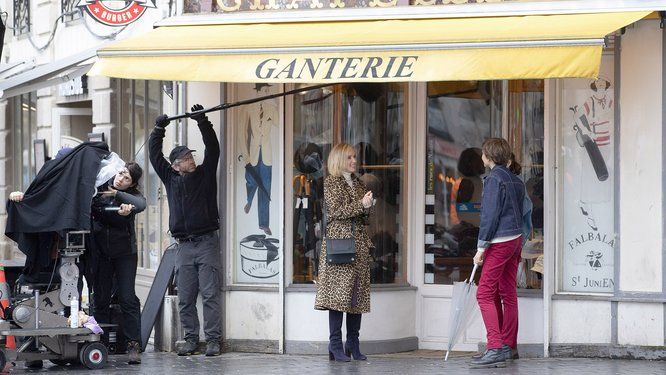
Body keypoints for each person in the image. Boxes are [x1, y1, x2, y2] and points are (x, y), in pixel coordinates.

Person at [150, 104, 221, 357]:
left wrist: (202, 121)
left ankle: (213, 340)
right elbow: (154, 156)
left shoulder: (205, 174)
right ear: (176, 165)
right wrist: (158, 129)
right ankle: (191, 339)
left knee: (211, 294)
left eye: (192, 157)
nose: (193, 160)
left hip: (206, 242)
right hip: (183, 246)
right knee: (186, 297)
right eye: (187, 158)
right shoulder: (170, 179)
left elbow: (213, 148)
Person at [314, 143, 374, 362]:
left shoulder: (358, 183)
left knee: (356, 296)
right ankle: (335, 344)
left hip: (358, 245)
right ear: (339, 159)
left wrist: (368, 206)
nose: (354, 161)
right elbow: (337, 212)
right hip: (340, 244)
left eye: (355, 157)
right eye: (349, 157)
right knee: (338, 297)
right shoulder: (331, 182)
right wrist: (361, 204)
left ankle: (353, 344)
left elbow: (362, 216)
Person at [471, 138, 525, 369]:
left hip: (500, 240)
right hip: (515, 239)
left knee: (484, 293)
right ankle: (508, 346)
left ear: (488, 156)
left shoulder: (493, 179)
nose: (482, 157)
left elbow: (490, 217)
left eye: (483, 153)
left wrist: (481, 248)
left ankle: (494, 347)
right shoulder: (516, 180)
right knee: (508, 293)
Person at [90, 162, 146, 364]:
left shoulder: (130, 197)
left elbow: (141, 204)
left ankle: (133, 344)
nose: (121, 179)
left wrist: (121, 202)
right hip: (101, 254)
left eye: (127, 178)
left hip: (124, 253)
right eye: (121, 173)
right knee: (100, 300)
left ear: (132, 184)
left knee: (127, 297)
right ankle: (100, 342)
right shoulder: (99, 185)